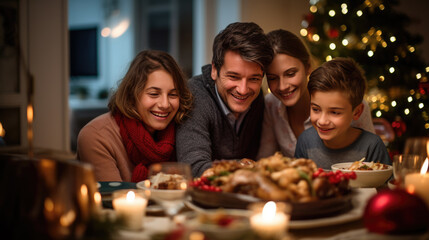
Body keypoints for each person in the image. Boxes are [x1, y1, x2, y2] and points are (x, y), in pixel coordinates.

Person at [257, 29, 375, 159]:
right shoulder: (270, 104)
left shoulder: (351, 104)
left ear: (308, 67)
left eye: (290, 74)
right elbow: (265, 159)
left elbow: (372, 163)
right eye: (273, 78)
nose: (282, 86)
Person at [77, 50, 193, 182]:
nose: (165, 104)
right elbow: (112, 201)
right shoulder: (96, 135)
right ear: (132, 95)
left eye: (173, 94)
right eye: (154, 94)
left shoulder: (183, 129)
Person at [176, 22, 274, 177]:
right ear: (215, 70)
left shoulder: (257, 96)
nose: (243, 89)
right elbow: (194, 168)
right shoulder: (194, 95)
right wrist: (246, 167)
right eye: (234, 76)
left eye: (254, 79)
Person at [294, 57, 391, 169]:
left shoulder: (373, 146)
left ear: (357, 112)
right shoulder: (305, 141)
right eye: (316, 109)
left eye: (335, 112)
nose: (322, 121)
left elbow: (386, 185)